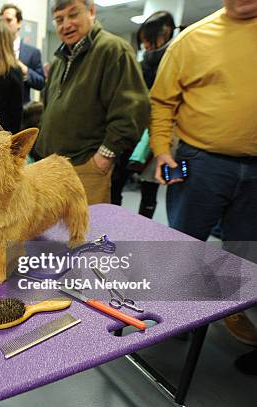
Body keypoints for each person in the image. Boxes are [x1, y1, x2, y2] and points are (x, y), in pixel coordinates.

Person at [149, 0, 257, 374]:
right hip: (201, 161)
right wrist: (162, 150)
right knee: (185, 241)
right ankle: (176, 314)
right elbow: (162, 101)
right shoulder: (192, 40)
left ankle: (234, 310)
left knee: (246, 251)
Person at [33, 0, 150, 205]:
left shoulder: (113, 50)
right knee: (51, 231)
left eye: (73, 15)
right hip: (51, 166)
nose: (66, 24)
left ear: (92, 11)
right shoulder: (60, 58)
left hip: (85, 167)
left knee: (85, 232)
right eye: (59, 20)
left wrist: (103, 158)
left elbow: (132, 111)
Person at [127, 10, 177, 218]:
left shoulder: (177, 60)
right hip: (145, 136)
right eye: (143, 41)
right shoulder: (142, 65)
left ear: (165, 33)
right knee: (144, 184)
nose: (146, 46)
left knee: (174, 186)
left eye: (149, 40)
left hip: (174, 140)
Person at [0, 3, 46, 104]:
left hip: (22, 114)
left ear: (19, 23)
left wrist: (25, 70)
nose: (4, 25)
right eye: (1, 21)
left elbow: (41, 83)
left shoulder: (33, 53)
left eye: (9, 20)